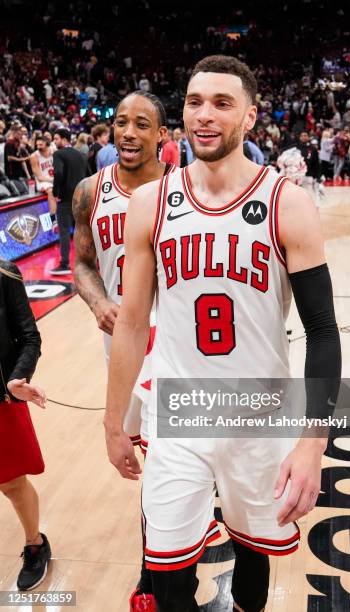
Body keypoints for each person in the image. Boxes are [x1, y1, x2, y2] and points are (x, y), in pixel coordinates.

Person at [105, 55, 341, 612]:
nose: (204, 116)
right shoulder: (151, 203)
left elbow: (323, 331)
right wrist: (113, 422)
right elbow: (133, 322)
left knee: (252, 555)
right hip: (178, 414)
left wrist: (312, 443)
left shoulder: (288, 202)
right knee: (165, 574)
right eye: (194, 102)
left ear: (250, 117)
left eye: (222, 103)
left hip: (257, 414)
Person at [73, 90, 177, 612]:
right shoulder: (91, 191)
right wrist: (97, 303)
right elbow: (81, 263)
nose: (128, 132)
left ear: (163, 134)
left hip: (177, 340)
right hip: (123, 341)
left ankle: (152, 573)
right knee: (153, 456)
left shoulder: (183, 189)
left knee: (164, 461)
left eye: (142, 124)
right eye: (120, 123)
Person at [0, 260, 50, 591]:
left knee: (12, 485)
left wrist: (17, 378)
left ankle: (35, 543)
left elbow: (30, 337)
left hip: (2, 398)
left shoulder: (5, 274)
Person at [51, 128, 87, 275]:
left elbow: (58, 173)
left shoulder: (58, 154)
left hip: (65, 199)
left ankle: (64, 264)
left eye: (56, 138)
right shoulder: (81, 154)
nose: (54, 141)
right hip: (81, 197)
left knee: (65, 232)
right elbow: (90, 173)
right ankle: (87, 263)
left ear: (65, 139)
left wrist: (55, 192)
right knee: (83, 231)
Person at [30, 136, 57, 230]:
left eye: (41, 144)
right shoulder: (34, 156)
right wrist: (53, 180)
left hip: (54, 178)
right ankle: (53, 220)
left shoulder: (54, 151)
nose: (38, 146)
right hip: (43, 181)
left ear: (47, 143)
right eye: (37, 144)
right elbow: (39, 177)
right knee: (51, 191)